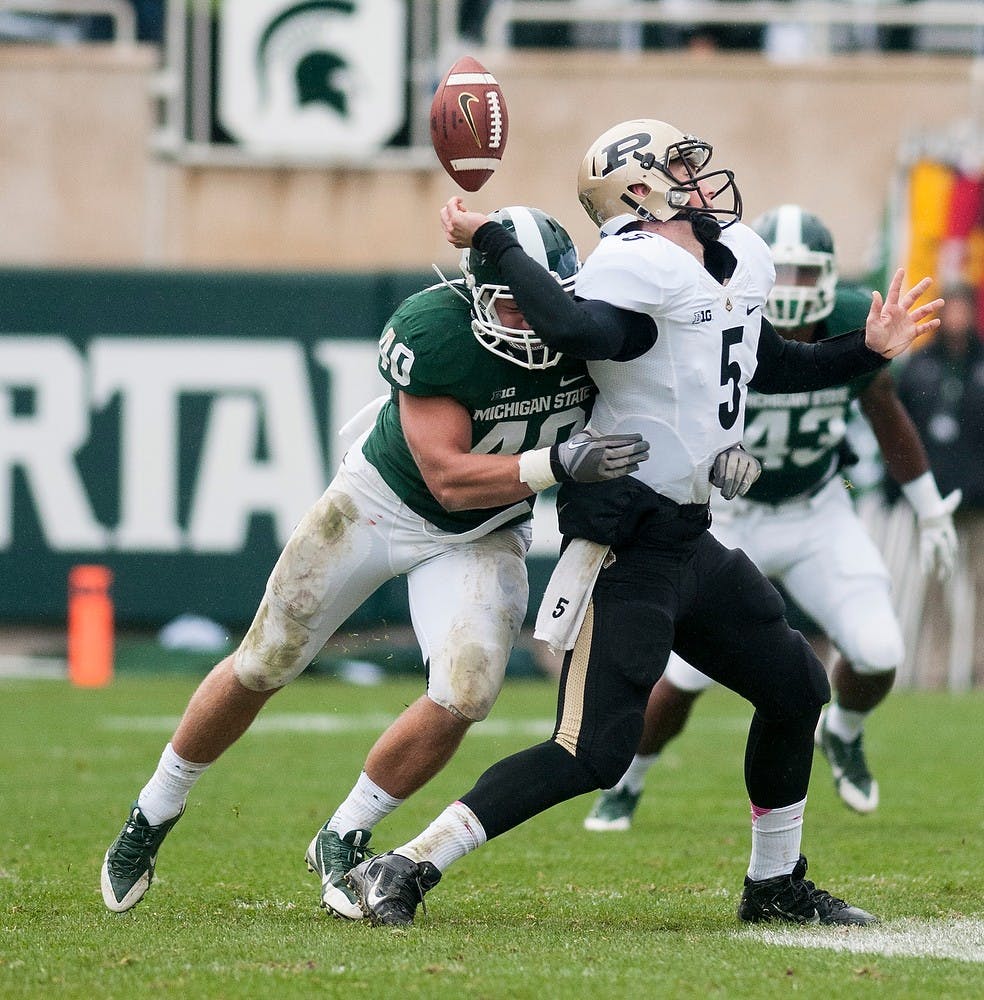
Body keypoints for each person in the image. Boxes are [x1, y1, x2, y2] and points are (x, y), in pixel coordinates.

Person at [342, 119, 943, 929]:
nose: (701, 178)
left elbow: (770, 365)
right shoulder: (637, 267)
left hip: (688, 536)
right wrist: (493, 237)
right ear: (638, 191)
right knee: (590, 752)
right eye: (680, 167)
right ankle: (408, 862)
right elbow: (579, 329)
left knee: (796, 688)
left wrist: (865, 351)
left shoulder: (727, 260)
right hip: (626, 546)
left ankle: (775, 885)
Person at [99, 206, 652, 914]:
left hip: (483, 530)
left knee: (467, 690)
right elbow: (448, 475)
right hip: (381, 503)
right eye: (515, 305)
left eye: (547, 302)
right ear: (480, 296)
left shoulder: (596, 333)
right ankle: (154, 810)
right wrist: (557, 462)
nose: (536, 323)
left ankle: (346, 830)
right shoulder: (436, 331)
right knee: (264, 661)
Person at [583, 204, 960, 829]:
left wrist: (928, 508)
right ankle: (629, 781)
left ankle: (842, 731)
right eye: (780, 272)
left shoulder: (849, 320)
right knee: (684, 675)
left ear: (831, 279)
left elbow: (885, 412)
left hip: (817, 511)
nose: (789, 289)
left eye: (806, 276)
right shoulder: (723, 311)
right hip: (732, 517)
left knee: (877, 649)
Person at [895, 283, 984, 687]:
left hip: (978, 498)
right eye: (954, 309)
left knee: (980, 583)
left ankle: (978, 666)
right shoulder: (919, 365)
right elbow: (899, 426)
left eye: (966, 309)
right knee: (933, 585)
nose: (959, 318)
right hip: (933, 498)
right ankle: (933, 668)